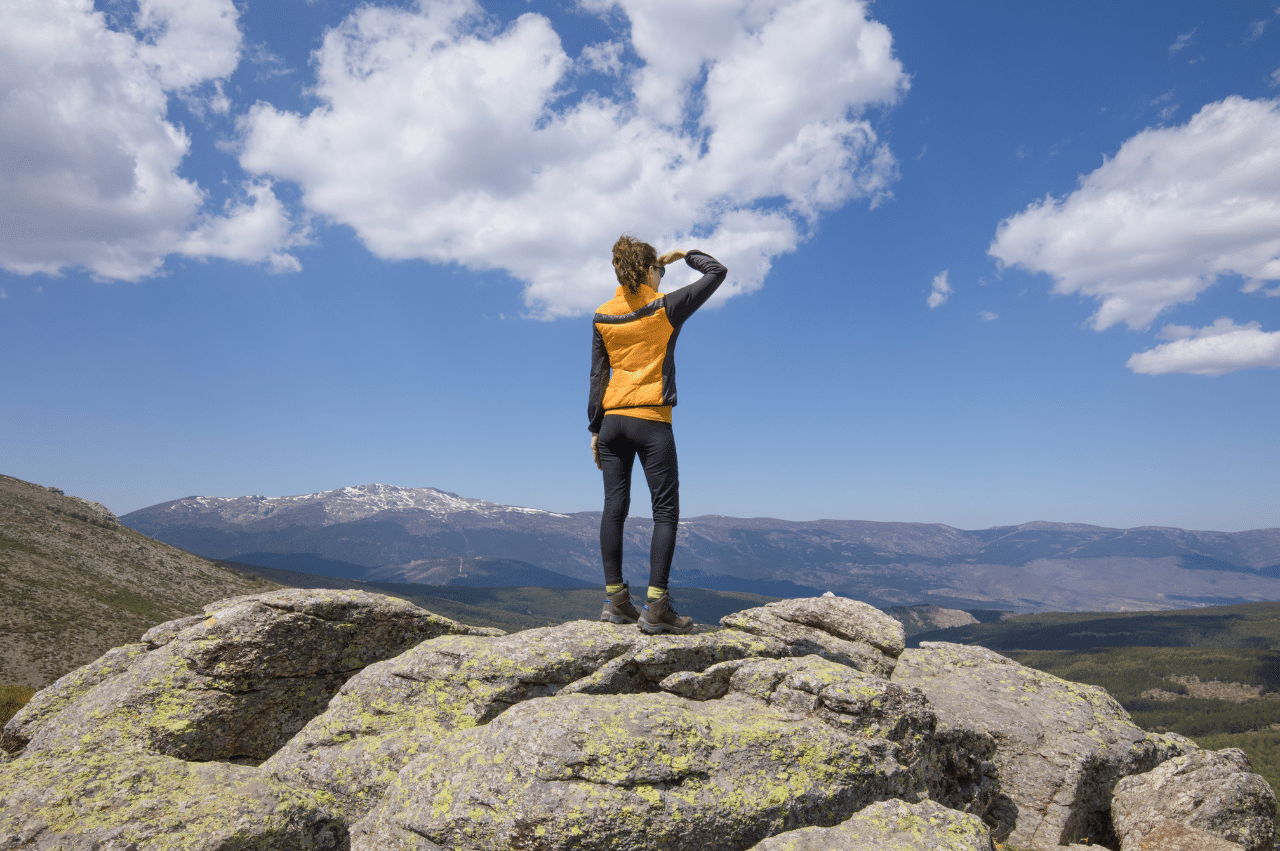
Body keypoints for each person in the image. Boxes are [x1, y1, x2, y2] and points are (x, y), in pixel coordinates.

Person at [588, 234, 727, 634]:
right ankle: (657, 607)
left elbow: (598, 375)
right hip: (651, 420)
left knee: (614, 507)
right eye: (659, 270)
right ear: (650, 270)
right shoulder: (664, 308)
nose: (663, 276)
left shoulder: (602, 315)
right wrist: (686, 255)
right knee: (664, 511)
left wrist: (595, 428)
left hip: (613, 421)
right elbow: (717, 272)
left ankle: (615, 602)